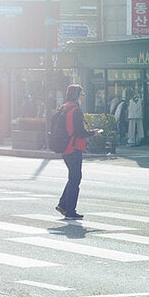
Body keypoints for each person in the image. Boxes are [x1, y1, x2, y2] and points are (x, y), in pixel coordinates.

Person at [56, 84, 101, 220]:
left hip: (64, 147)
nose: (82, 97)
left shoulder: (64, 107)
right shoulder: (75, 110)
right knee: (75, 179)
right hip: (74, 147)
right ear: (76, 95)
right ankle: (70, 211)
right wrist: (94, 133)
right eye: (82, 94)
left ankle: (63, 204)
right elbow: (80, 132)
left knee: (73, 178)